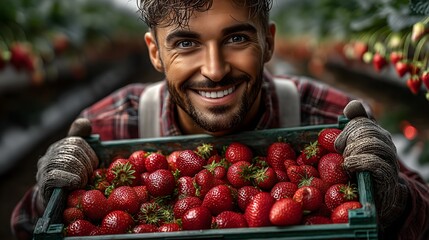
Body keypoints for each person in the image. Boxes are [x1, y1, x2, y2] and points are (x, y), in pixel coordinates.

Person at [11, 1, 429, 239]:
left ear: (269, 42)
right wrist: (48, 196)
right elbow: (26, 226)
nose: (213, 69)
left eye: (236, 38)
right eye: (186, 43)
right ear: (155, 53)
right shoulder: (108, 125)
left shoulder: (327, 114)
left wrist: (392, 198)